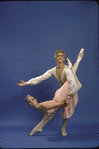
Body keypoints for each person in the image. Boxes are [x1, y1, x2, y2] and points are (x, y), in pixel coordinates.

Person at [17, 48, 84, 136]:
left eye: (61, 56)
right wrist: (27, 83)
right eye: (58, 56)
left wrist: (68, 96)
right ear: (55, 58)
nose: (59, 57)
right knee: (52, 109)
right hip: (63, 92)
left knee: (65, 111)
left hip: (70, 91)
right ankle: (39, 127)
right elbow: (41, 77)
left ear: (64, 58)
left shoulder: (66, 70)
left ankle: (63, 128)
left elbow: (72, 83)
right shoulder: (53, 71)